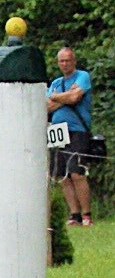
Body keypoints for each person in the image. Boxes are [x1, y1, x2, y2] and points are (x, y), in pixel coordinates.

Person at [47, 46, 94, 227]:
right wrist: (64, 97)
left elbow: (75, 98)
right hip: (57, 132)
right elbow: (46, 106)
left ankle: (86, 214)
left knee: (77, 172)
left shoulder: (82, 77)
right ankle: (74, 214)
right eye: (62, 61)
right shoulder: (56, 83)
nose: (65, 64)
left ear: (73, 61)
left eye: (68, 60)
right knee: (62, 175)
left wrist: (56, 97)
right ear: (58, 63)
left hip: (77, 130)